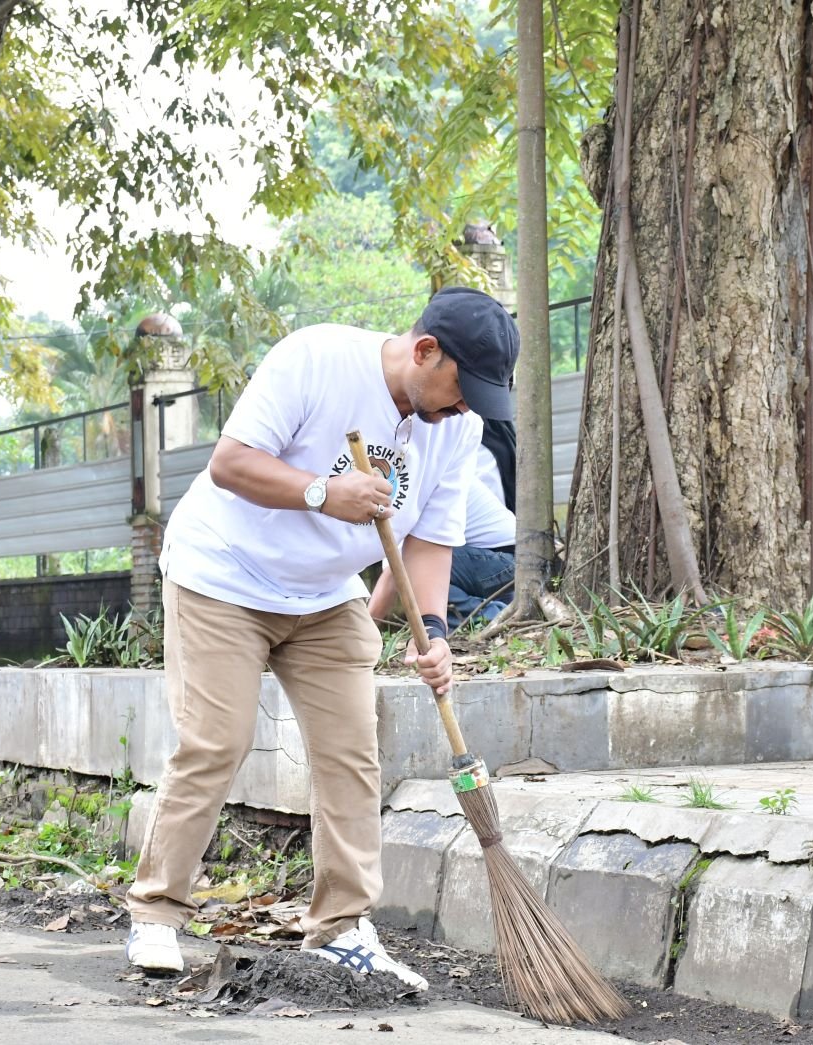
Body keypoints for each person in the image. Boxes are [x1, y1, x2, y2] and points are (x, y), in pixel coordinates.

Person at [124, 286, 519, 990]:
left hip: (325, 594)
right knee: (217, 741)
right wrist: (322, 492)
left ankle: (341, 927)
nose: (467, 409)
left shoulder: (456, 429)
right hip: (223, 574)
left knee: (350, 753)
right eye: (463, 390)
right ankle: (156, 911)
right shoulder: (317, 359)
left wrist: (432, 631)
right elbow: (230, 462)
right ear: (426, 351)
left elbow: (431, 541)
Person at [369, 470, 515, 627]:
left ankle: (494, 617)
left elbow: (395, 572)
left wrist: (364, 630)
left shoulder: (414, 491)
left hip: (504, 558)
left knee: (417, 568)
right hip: (502, 560)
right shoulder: (422, 474)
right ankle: (501, 613)